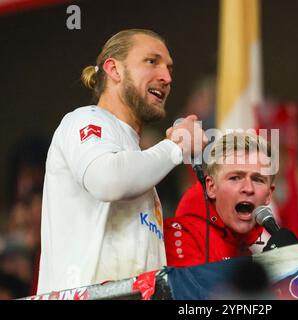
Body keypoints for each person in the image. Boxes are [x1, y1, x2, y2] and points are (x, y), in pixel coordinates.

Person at [37, 29, 206, 294]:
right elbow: (108, 181)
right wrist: (177, 146)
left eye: (169, 68)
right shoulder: (85, 120)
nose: (167, 77)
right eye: (152, 61)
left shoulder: (137, 163)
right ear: (114, 70)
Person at [164, 132, 275, 267]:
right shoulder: (180, 234)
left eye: (258, 180)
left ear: (269, 195)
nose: (248, 188)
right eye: (235, 178)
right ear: (211, 187)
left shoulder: (252, 253)